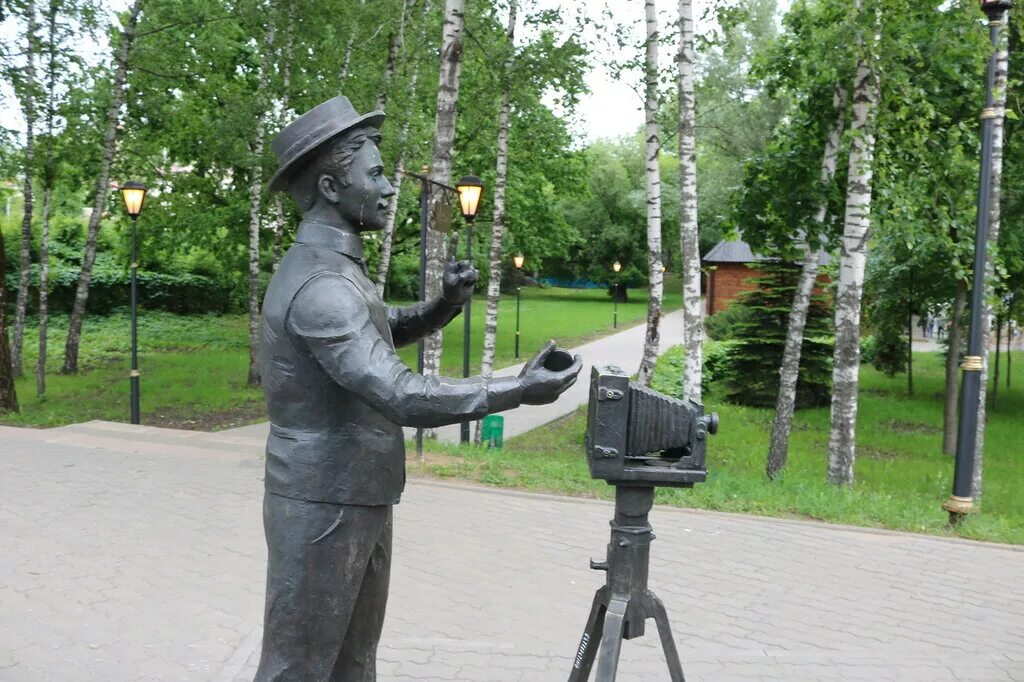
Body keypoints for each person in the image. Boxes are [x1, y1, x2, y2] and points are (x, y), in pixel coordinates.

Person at [253, 96, 582, 681]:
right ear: (331, 186)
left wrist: (440, 307)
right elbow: (399, 392)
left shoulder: (335, 274)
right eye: (374, 174)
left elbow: (373, 333)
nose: (386, 188)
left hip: (353, 493)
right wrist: (516, 390)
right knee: (298, 669)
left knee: (353, 664)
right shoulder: (322, 287)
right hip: (324, 501)